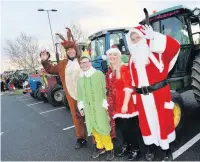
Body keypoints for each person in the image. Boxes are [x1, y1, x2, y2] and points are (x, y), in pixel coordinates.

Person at [126, 25, 180, 161]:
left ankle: (166, 149)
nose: (136, 40)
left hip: (159, 94)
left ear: (144, 36)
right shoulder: (132, 59)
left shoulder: (158, 52)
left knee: (163, 121)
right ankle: (150, 146)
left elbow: (174, 47)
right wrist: (134, 99)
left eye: (138, 37)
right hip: (141, 97)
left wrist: (155, 37)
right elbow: (132, 80)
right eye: (133, 39)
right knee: (146, 123)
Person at [40, 27, 87, 149]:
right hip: (71, 94)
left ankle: (99, 138)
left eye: (73, 49)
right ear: (66, 52)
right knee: (76, 117)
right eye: (69, 50)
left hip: (86, 93)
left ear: (75, 50)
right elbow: (50, 69)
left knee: (91, 114)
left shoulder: (82, 61)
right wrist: (45, 61)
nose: (71, 51)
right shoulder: (62, 64)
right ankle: (81, 138)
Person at [105, 46, 140, 161]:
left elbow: (128, 87)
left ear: (119, 56)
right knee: (122, 129)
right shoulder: (111, 72)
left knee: (129, 129)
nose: (112, 57)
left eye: (115, 55)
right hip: (116, 105)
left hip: (126, 104)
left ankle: (135, 149)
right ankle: (128, 147)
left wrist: (125, 104)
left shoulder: (124, 68)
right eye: (110, 55)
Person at [77, 55, 114, 161]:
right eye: (82, 63)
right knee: (93, 127)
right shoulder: (80, 78)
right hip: (88, 108)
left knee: (103, 127)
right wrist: (81, 107)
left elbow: (106, 89)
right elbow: (79, 94)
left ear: (90, 62)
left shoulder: (98, 74)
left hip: (99, 106)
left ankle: (109, 148)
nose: (84, 64)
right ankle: (100, 146)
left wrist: (106, 103)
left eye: (86, 62)